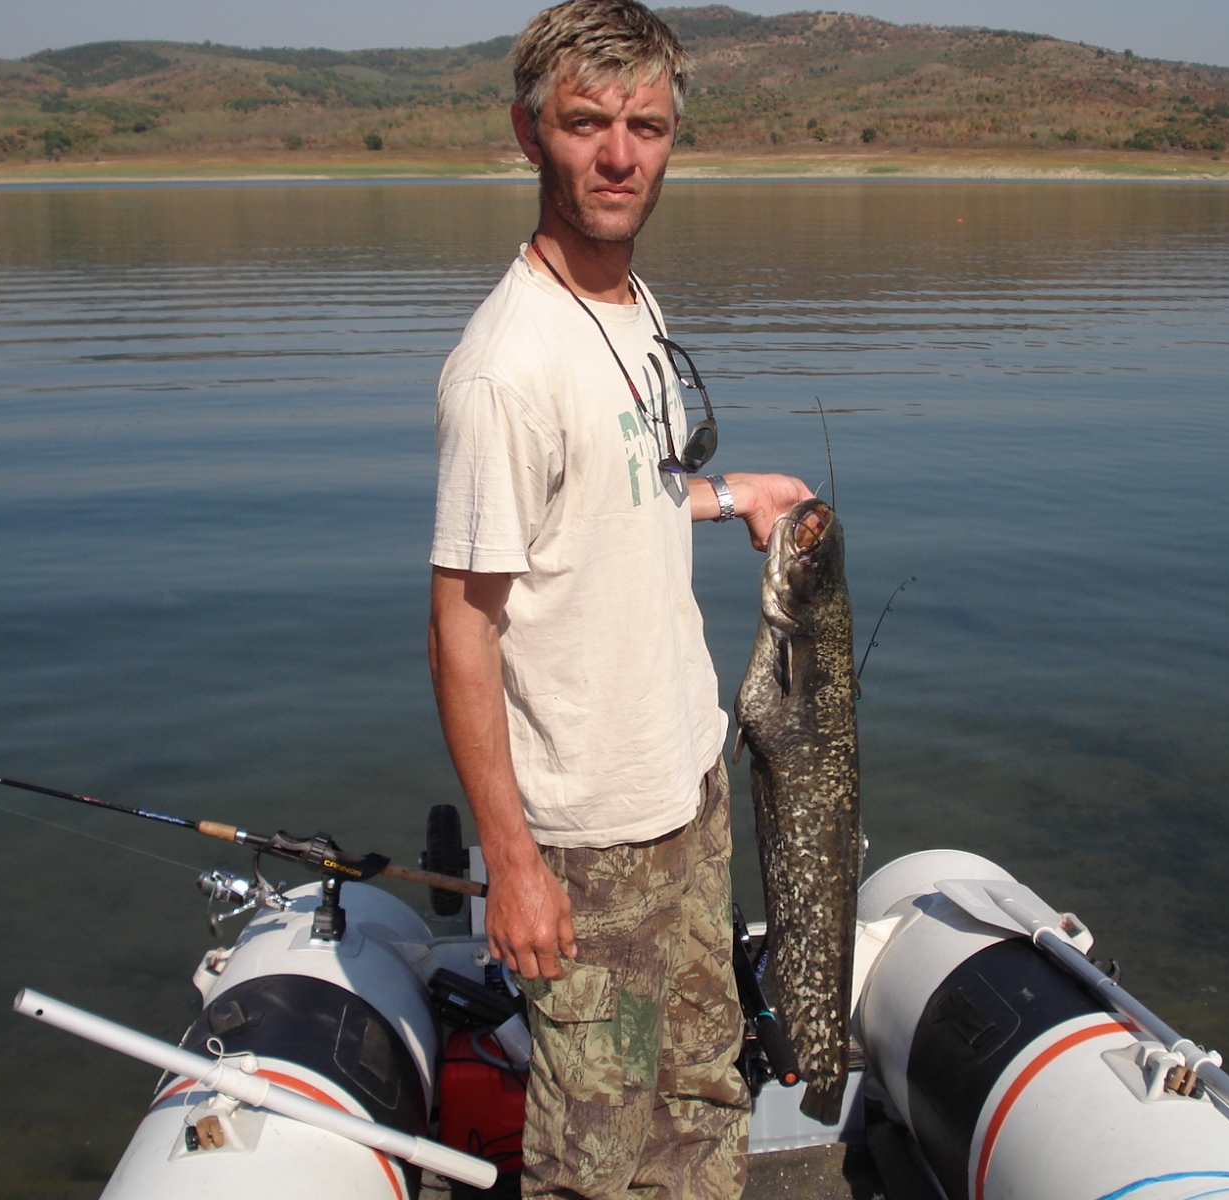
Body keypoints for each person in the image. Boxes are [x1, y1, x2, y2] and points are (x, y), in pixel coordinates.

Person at [426, 2, 812, 1197]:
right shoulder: (506, 369)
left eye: (644, 127)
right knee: (593, 1154)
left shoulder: (631, 308)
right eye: (585, 122)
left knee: (703, 1090)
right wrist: (512, 862)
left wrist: (727, 494)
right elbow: (461, 626)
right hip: (587, 837)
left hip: (686, 782)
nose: (617, 154)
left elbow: (616, 490)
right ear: (528, 133)